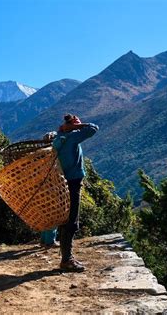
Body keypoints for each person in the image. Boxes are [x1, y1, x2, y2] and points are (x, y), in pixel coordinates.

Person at [52, 114, 99, 272]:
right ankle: (67, 259)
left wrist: (65, 129)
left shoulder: (59, 137)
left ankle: (66, 256)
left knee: (66, 219)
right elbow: (93, 128)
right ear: (73, 126)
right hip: (73, 182)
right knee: (71, 221)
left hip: (61, 181)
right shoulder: (71, 137)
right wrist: (77, 127)